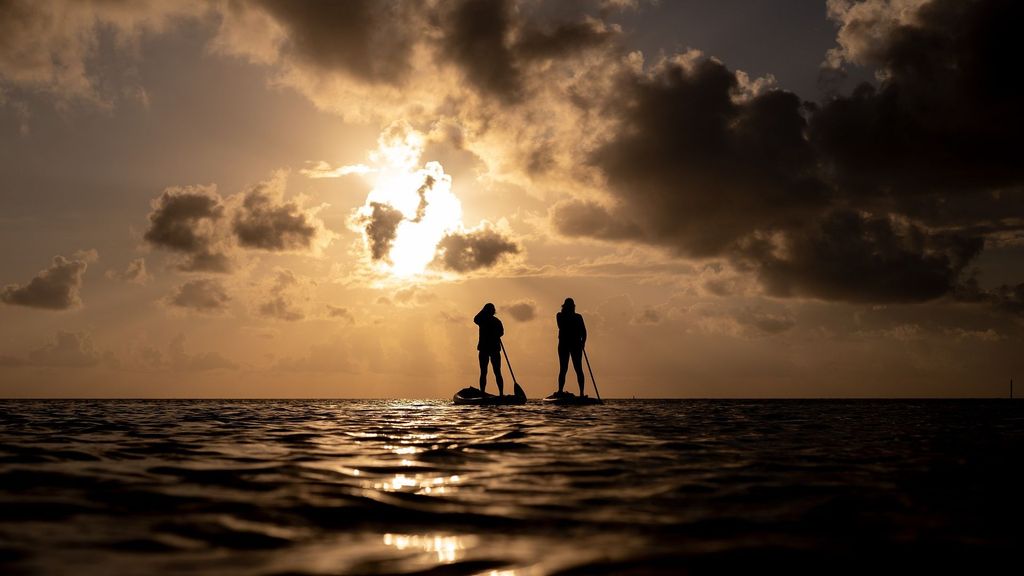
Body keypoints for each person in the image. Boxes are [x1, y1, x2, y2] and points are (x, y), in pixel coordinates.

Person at [556, 297, 587, 396]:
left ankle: (581, 393)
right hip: (564, 345)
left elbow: (584, 331)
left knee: (578, 369)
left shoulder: (578, 317)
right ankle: (560, 391)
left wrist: (583, 343)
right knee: (563, 369)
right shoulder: (560, 315)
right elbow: (561, 326)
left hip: (576, 345)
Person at [473, 303, 504, 395]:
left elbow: (501, 333)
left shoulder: (484, 320)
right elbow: (501, 333)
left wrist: (483, 310)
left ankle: (498, 393)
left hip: (488, 349)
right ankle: (500, 393)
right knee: (491, 372)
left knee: (490, 372)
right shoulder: (492, 321)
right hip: (487, 349)